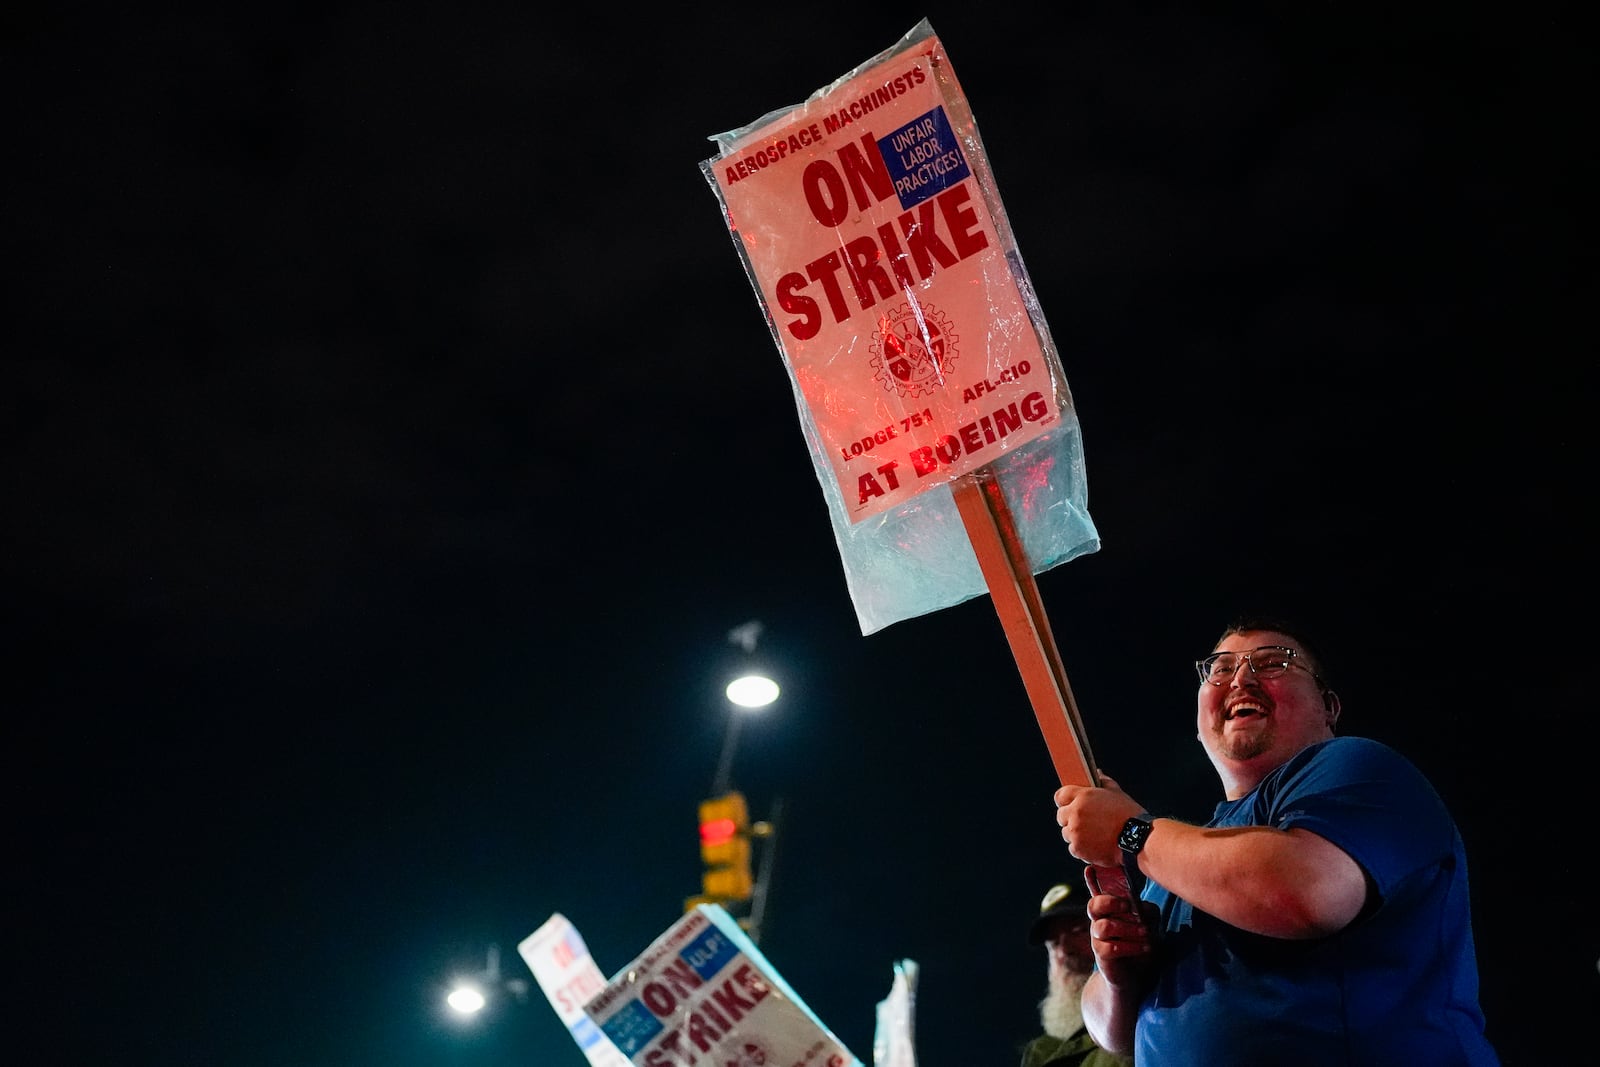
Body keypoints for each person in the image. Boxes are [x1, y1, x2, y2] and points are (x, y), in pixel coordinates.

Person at [1053, 615, 1500, 1065]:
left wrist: (1131, 833)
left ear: (1328, 708)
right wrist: (1119, 976)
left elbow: (1307, 890)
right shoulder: (1172, 865)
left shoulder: (1360, 769)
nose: (1242, 679)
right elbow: (1113, 1035)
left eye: (1274, 663)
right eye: (1221, 669)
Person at [1019, 882, 1133, 1067]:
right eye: (1054, 943)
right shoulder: (1041, 1054)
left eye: (1077, 931)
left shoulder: (1146, 1014)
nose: (1064, 951)